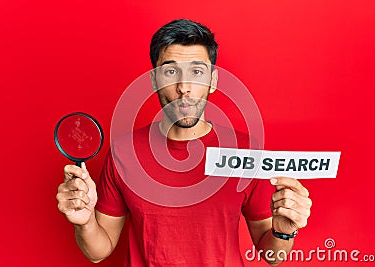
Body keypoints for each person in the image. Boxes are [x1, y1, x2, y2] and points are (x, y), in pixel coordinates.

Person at [56, 19, 312, 266]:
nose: (184, 87)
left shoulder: (247, 152)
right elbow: (98, 252)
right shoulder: (124, 152)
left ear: (212, 81)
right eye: (170, 72)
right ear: (154, 80)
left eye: (197, 72)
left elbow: (272, 256)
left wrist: (283, 233)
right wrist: (85, 222)